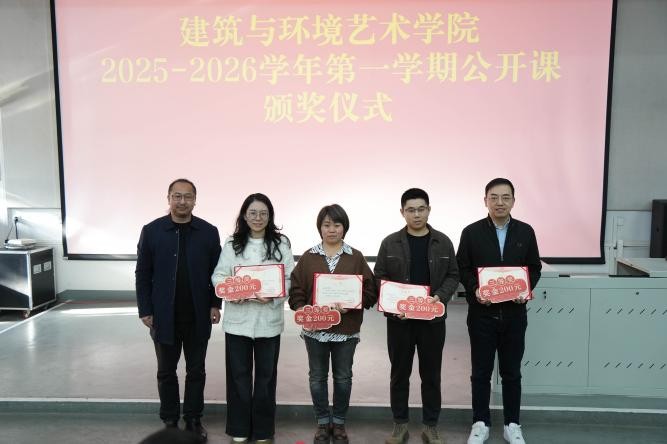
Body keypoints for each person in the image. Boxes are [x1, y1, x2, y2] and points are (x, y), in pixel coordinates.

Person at [456, 178, 541, 444]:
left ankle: (512, 424)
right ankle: (480, 423)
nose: (500, 202)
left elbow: (534, 267)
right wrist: (475, 290)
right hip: (482, 315)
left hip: (515, 315)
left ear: (513, 201)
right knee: (480, 372)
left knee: (511, 373)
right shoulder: (471, 232)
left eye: (505, 197)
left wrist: (526, 288)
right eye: (494, 197)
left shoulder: (525, 232)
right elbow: (463, 268)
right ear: (485, 201)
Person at [135, 178, 221, 441]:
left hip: (198, 315)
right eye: (177, 196)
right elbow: (142, 273)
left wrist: (215, 304)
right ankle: (170, 421)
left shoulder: (208, 232)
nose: (182, 201)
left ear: (195, 200)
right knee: (165, 371)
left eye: (188, 196)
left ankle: (193, 419)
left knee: (196, 371)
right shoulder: (152, 231)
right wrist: (145, 309)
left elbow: (218, 274)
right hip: (163, 316)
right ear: (169, 198)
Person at [373, 188, 460, 444]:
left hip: (432, 321)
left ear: (429, 210)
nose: (417, 214)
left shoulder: (443, 242)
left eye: (421, 209)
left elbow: (453, 275)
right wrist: (393, 305)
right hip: (399, 322)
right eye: (411, 210)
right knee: (399, 374)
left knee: (431, 375)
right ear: (402, 212)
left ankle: (430, 426)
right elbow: (379, 277)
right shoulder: (390, 243)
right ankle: (400, 425)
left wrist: (440, 297)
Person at [288, 204, 377, 444]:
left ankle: (338, 423)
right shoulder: (308, 257)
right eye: (326, 225)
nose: (332, 229)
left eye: (337, 225)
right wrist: (302, 309)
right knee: (317, 377)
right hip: (314, 331)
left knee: (343, 378)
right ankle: (321, 422)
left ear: (344, 228)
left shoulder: (355, 257)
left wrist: (352, 304)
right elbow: (296, 290)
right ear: (320, 227)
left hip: (346, 331)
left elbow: (371, 292)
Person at [211, 193, 295, 444]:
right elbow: (219, 275)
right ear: (244, 216)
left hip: (269, 321)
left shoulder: (281, 243)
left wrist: (274, 296)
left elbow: (289, 279)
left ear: (270, 216)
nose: (258, 218)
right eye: (253, 213)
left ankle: (263, 431)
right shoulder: (232, 244)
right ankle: (239, 428)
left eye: (263, 213)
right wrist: (231, 292)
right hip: (238, 322)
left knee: (266, 379)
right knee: (238, 377)